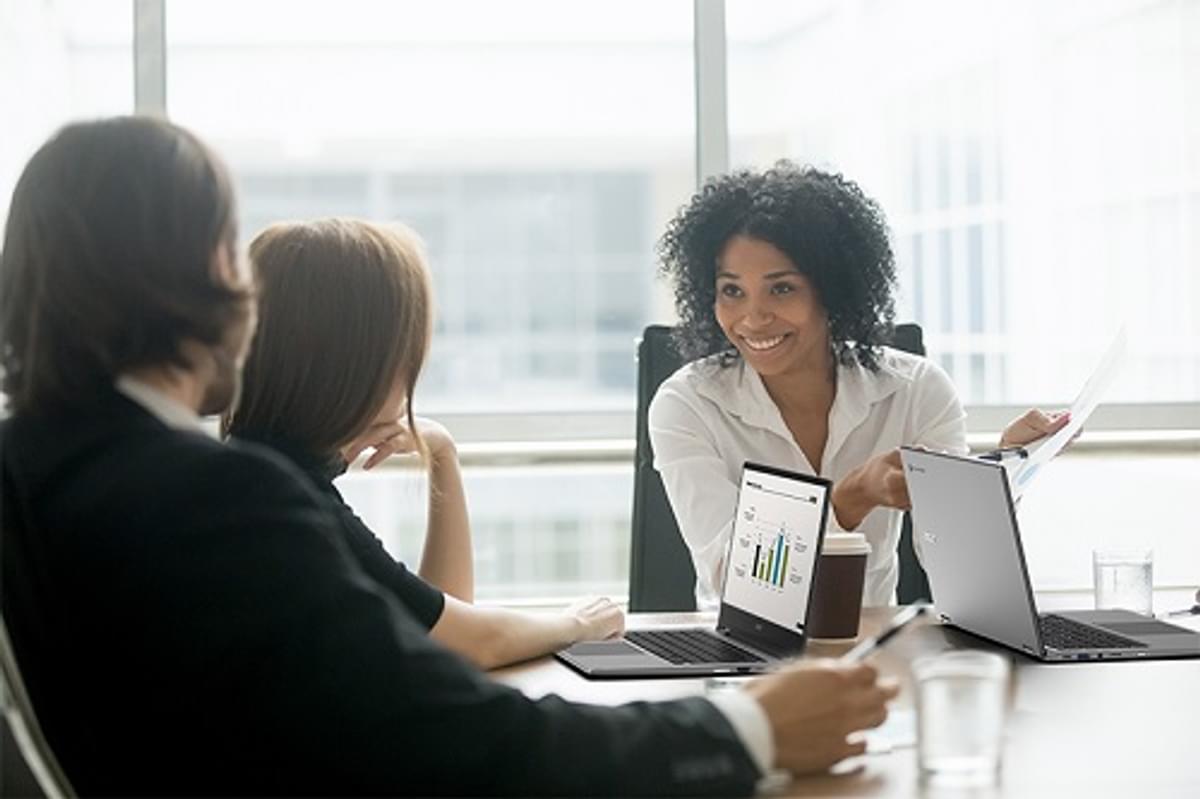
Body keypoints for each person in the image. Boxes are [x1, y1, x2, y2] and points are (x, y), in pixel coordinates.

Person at [0, 117, 898, 796]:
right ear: (202, 271)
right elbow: (463, 742)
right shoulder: (210, 497)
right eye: (234, 254)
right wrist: (748, 727)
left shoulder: (33, 466)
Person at [650, 162, 1068, 606]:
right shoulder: (687, 403)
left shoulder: (915, 389)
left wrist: (1005, 468)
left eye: (782, 290)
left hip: (872, 651)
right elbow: (732, 578)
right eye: (732, 292)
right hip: (743, 654)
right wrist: (848, 501)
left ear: (832, 290)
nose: (753, 318)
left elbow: (959, 564)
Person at [222, 217, 623, 669]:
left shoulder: (262, 466)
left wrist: (442, 456)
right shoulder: (287, 494)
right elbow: (467, 643)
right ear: (358, 364)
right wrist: (578, 624)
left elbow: (438, 622)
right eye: (404, 355)